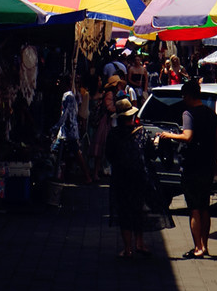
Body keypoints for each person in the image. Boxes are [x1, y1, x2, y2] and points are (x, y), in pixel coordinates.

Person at [174, 79, 217, 258]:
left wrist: (167, 135)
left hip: (192, 165)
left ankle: (198, 247)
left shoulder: (188, 114)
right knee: (205, 206)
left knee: (194, 207)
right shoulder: (211, 114)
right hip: (208, 165)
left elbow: (188, 136)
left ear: (188, 95)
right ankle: (205, 245)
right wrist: (215, 161)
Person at [105, 96, 154, 258]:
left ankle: (128, 249)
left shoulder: (113, 134)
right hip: (139, 176)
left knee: (124, 211)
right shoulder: (141, 133)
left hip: (121, 177)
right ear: (132, 116)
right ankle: (140, 243)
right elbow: (150, 154)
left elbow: (109, 155)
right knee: (138, 209)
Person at [55, 85, 94, 184]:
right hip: (70, 130)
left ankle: (87, 176)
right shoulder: (71, 96)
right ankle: (62, 175)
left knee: (74, 153)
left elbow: (65, 114)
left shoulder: (67, 96)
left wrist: (55, 127)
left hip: (68, 132)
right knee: (66, 153)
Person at [92, 84, 117, 178]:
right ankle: (95, 173)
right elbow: (109, 108)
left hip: (108, 122)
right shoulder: (110, 94)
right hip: (104, 122)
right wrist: (119, 108)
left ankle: (98, 171)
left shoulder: (112, 94)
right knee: (101, 146)